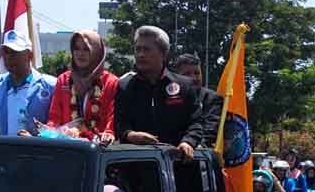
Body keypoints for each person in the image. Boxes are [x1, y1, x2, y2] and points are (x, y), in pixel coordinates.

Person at [114, 26, 203, 159]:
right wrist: (130, 134)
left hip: (178, 166)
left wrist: (188, 142)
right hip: (136, 166)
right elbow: (120, 123)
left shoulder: (185, 85)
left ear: (163, 53)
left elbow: (196, 122)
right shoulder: (125, 86)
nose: (141, 54)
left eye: (147, 49)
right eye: (137, 49)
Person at [0, 29, 56, 136]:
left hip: (38, 152)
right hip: (4, 152)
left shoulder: (50, 85)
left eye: (15, 52)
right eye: (6, 52)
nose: (9, 57)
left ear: (29, 55)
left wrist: (37, 139)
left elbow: (59, 125)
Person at [47, 30, 118, 143]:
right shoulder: (64, 80)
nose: (80, 53)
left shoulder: (111, 82)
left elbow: (112, 118)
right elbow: (54, 118)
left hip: (99, 150)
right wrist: (45, 132)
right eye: (76, 48)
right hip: (68, 148)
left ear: (97, 52)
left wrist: (109, 133)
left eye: (86, 49)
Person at [175, 53, 224, 143]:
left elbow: (210, 130)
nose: (193, 78)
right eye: (187, 74)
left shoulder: (213, 99)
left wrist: (190, 144)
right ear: (177, 76)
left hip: (199, 151)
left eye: (197, 73)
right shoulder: (171, 97)